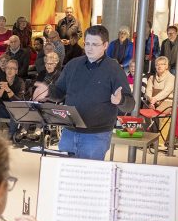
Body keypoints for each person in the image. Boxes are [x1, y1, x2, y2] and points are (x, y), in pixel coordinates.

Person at [50, 25, 135, 160]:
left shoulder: (114, 69)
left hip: (96, 135)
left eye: (95, 44)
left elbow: (130, 104)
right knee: (65, 176)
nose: (89, 48)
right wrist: (47, 91)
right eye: (87, 43)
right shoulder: (73, 65)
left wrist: (121, 101)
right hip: (69, 131)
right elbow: (59, 92)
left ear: (105, 45)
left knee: (90, 178)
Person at [0, 58, 26, 142]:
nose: (10, 70)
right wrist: (1, 91)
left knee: (15, 109)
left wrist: (8, 90)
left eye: (12, 68)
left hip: (14, 111)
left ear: (16, 71)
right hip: (3, 109)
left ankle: (10, 135)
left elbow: (19, 102)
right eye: (8, 68)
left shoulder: (20, 82)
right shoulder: (0, 80)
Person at [142, 56, 175, 143]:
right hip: (153, 101)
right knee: (144, 114)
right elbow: (148, 91)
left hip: (167, 101)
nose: (159, 66)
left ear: (166, 66)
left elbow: (166, 91)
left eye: (162, 64)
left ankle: (159, 141)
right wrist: (150, 100)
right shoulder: (152, 78)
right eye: (157, 65)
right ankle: (147, 138)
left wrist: (155, 99)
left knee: (159, 114)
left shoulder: (171, 77)